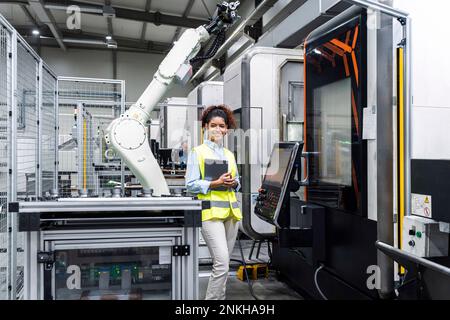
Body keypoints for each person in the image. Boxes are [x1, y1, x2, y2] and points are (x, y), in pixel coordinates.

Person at [185, 105, 241, 300]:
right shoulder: (197, 152)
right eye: (214, 125)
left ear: (227, 129)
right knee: (222, 262)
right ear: (205, 127)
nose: (218, 129)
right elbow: (190, 185)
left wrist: (234, 183)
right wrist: (214, 183)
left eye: (222, 126)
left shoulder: (229, 154)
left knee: (223, 267)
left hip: (231, 215)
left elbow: (238, 182)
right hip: (210, 215)